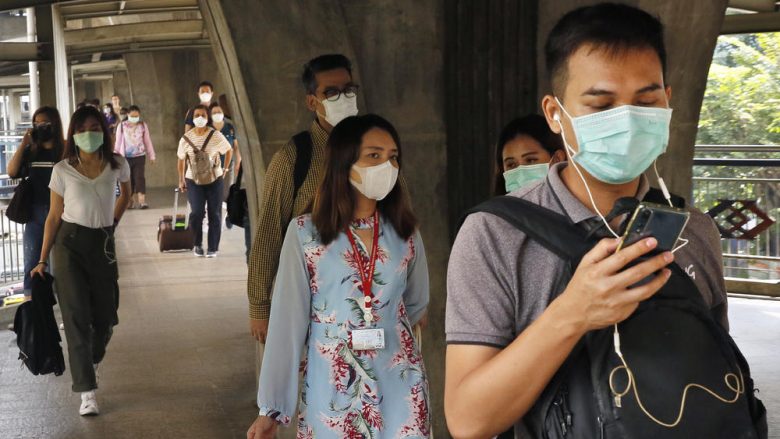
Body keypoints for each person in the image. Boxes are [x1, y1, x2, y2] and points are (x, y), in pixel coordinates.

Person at [444, 3, 730, 437]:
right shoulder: (495, 233)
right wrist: (572, 314)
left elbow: (717, 378)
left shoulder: (695, 229)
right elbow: (468, 421)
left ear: (668, 102)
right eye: (602, 104)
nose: (628, 120)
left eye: (646, 101)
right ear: (555, 113)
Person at [247, 114, 430, 438]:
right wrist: (270, 411)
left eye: (392, 157)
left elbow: (416, 306)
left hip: (401, 387)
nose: (386, 166)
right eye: (374, 155)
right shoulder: (305, 235)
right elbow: (287, 323)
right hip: (332, 389)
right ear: (344, 162)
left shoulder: (406, 233)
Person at [246, 53, 359, 392]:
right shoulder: (294, 158)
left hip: (367, 299)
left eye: (349, 89)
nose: (344, 98)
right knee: (320, 396)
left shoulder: (373, 149)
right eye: (332, 93)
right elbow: (267, 234)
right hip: (310, 307)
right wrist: (259, 306)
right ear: (312, 101)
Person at [30, 106, 131, 417]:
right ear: (73, 133)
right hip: (69, 245)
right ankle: (86, 391)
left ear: (103, 129)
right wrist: (42, 259)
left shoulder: (117, 165)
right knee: (75, 318)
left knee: (106, 317)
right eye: (83, 128)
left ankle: (91, 359)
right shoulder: (62, 170)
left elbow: (126, 194)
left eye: (94, 126)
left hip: (101, 244)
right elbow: (53, 216)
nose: (89, 133)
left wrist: (112, 222)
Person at [6, 106, 65, 297]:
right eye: (36, 124)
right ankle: (32, 309)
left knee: (61, 264)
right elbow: (12, 171)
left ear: (54, 125)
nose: (40, 127)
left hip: (62, 213)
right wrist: (24, 144)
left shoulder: (64, 150)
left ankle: (63, 306)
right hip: (36, 213)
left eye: (45, 124)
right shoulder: (32, 151)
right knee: (32, 262)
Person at [177, 104, 232, 258]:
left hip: (214, 179)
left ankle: (213, 247)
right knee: (196, 212)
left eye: (203, 115)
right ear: (192, 118)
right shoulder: (186, 138)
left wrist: (225, 169)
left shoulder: (215, 135)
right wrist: (181, 179)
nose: (199, 118)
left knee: (214, 213)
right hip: (193, 180)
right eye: (196, 115)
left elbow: (228, 150)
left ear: (207, 118)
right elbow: (181, 159)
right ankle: (197, 244)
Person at [494, 114, 566, 195]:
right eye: (511, 164)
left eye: (530, 160)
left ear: (557, 159)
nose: (521, 175)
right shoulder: (495, 207)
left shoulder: (575, 204)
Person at [114, 105, 156, 209]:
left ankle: (142, 201)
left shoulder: (142, 125)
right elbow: (118, 142)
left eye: (137, 116)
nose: (135, 118)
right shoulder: (122, 126)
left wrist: (152, 155)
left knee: (139, 178)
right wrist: (115, 156)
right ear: (128, 115)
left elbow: (147, 141)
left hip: (140, 156)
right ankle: (130, 201)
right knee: (129, 179)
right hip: (126, 158)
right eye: (132, 116)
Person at [209, 102, 238, 205]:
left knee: (226, 194)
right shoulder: (207, 128)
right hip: (211, 167)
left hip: (227, 166)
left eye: (219, 112)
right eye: (214, 112)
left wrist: (238, 162)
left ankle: (226, 218)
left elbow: (235, 147)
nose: (217, 114)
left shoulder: (229, 127)